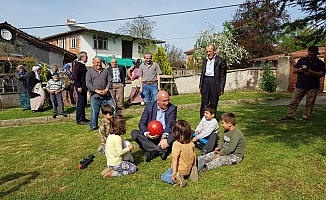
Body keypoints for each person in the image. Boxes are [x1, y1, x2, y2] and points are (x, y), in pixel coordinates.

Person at [281, 46, 326, 123]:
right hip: (301, 84)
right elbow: (294, 70)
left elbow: (322, 73)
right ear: (307, 52)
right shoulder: (302, 60)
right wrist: (300, 70)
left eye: (312, 55)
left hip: (313, 86)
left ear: (316, 54)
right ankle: (290, 115)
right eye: (309, 54)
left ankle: (306, 117)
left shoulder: (320, 63)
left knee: (310, 102)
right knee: (294, 100)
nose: (310, 56)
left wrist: (312, 72)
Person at [131, 90, 177, 162]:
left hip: (165, 135)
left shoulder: (172, 108)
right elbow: (142, 123)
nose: (167, 103)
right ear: (157, 100)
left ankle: (153, 150)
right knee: (134, 133)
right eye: (164, 101)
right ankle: (160, 149)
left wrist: (164, 137)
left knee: (177, 131)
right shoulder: (149, 107)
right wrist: (146, 133)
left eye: (168, 100)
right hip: (151, 135)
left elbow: (170, 125)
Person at [161, 120, 198, 188]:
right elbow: (194, 155)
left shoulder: (176, 144)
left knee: (163, 176)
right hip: (188, 169)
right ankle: (191, 174)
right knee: (186, 169)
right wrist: (194, 167)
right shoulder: (191, 144)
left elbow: (174, 158)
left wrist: (174, 172)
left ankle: (177, 179)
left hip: (179, 170)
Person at [86, 57, 115, 132]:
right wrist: (96, 91)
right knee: (95, 111)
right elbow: (88, 84)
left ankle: (114, 123)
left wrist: (106, 89)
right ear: (93, 63)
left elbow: (110, 81)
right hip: (95, 96)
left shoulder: (105, 71)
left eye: (100, 62)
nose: (99, 64)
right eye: (97, 62)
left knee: (112, 109)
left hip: (106, 95)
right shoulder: (89, 72)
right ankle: (93, 125)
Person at [199, 44, 227, 119]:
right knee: (204, 102)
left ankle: (212, 120)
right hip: (205, 81)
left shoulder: (221, 60)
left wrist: (221, 88)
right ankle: (203, 120)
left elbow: (223, 76)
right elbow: (202, 73)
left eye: (210, 51)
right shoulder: (205, 60)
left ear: (214, 51)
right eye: (207, 51)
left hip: (215, 82)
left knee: (213, 102)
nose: (208, 53)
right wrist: (200, 86)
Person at [72, 51, 89, 125]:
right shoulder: (78, 65)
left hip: (84, 86)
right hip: (80, 87)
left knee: (83, 103)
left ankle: (83, 118)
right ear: (82, 57)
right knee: (80, 103)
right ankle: (79, 119)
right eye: (86, 56)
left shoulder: (82, 65)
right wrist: (78, 86)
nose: (87, 57)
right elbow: (74, 75)